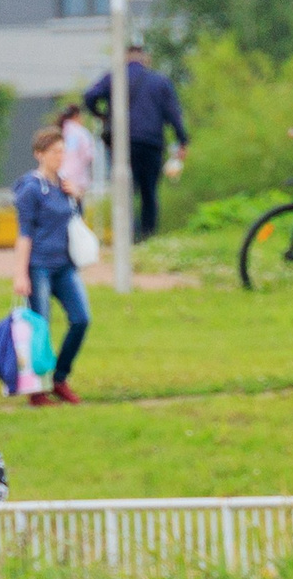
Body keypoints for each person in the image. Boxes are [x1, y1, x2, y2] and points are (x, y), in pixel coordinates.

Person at [12, 126, 89, 407]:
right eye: (55, 152)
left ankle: (59, 377)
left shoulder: (64, 185)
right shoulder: (30, 189)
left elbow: (74, 220)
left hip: (64, 265)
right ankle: (36, 390)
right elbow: (24, 234)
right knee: (40, 327)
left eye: (62, 152)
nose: (60, 157)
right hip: (39, 266)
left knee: (81, 319)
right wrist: (21, 274)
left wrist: (77, 196)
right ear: (40, 154)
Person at [83, 42, 188, 238]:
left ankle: (129, 236)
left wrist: (102, 115)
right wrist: (182, 141)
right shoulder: (159, 81)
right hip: (151, 143)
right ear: (145, 58)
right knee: (149, 192)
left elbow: (90, 96)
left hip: (121, 143)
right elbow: (174, 114)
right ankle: (147, 235)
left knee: (125, 192)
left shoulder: (114, 78)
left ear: (124, 57)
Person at [55, 102, 100, 200]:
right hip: (78, 178)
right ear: (77, 116)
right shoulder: (81, 133)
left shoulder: (59, 131)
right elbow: (89, 155)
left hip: (60, 175)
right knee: (77, 204)